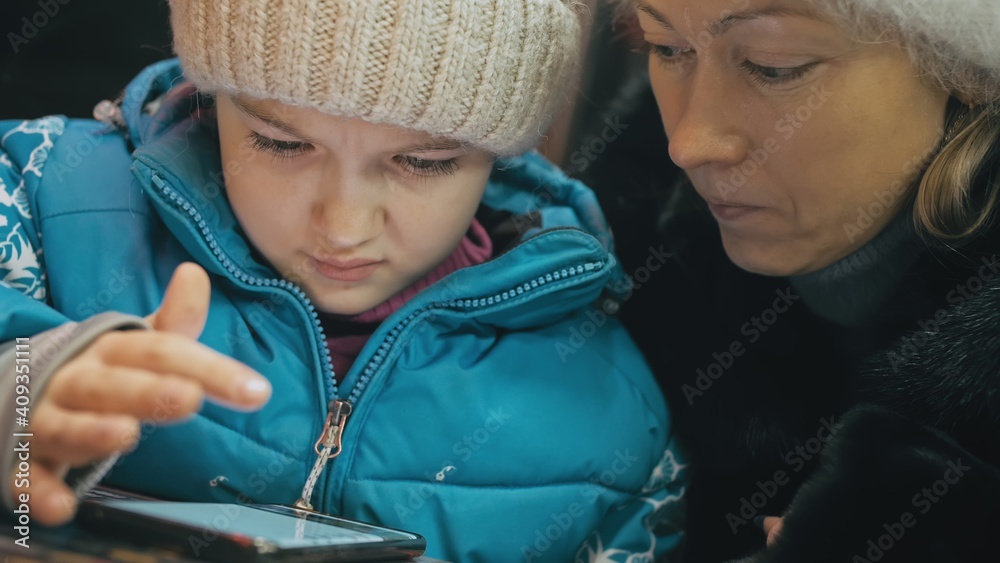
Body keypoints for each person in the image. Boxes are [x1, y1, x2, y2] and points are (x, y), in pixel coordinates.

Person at [0, 1, 688, 560]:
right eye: (282, 143)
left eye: (423, 161)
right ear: (211, 98)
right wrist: (18, 399)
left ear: (501, 155)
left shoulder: (613, 414)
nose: (345, 225)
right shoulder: (34, 203)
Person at [579, 0, 1000, 561]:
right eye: (667, 47)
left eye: (773, 66)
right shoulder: (588, 277)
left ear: (970, 66)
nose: (688, 143)